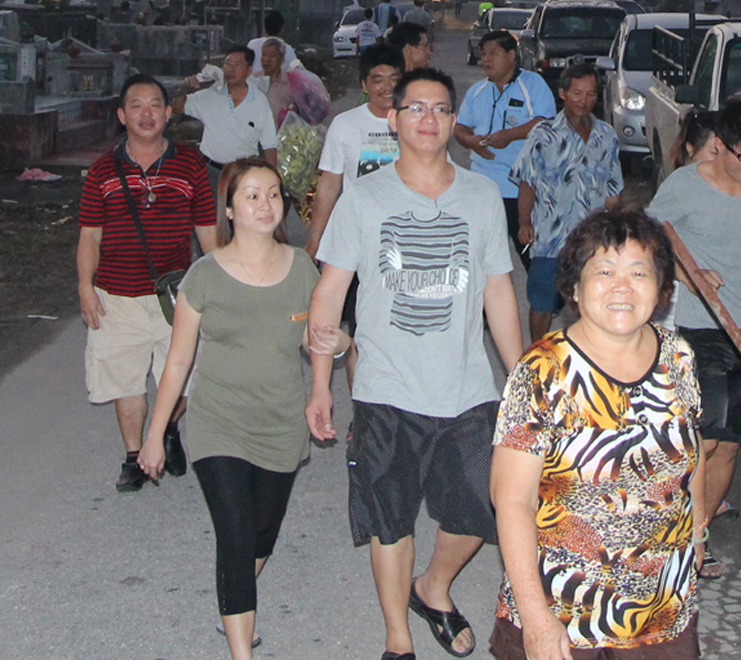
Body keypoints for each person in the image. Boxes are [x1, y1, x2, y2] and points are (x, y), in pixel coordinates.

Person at [307, 67, 525, 660]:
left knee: (484, 506)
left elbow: (499, 292)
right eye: (416, 109)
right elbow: (329, 294)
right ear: (394, 118)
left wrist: (524, 376)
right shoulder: (365, 197)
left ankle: (432, 586)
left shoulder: (480, 195)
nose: (429, 120)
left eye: (440, 110)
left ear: (454, 122)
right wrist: (321, 385)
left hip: (467, 387)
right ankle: (397, 639)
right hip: (385, 388)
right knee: (390, 516)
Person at [138, 158, 337, 659]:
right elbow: (179, 359)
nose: (265, 204)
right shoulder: (203, 276)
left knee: (260, 537)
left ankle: (236, 596)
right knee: (235, 535)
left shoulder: (302, 269)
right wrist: (154, 433)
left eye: (273, 194)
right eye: (251, 195)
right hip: (217, 424)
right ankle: (240, 648)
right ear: (229, 208)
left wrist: (321, 387)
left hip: (280, 422)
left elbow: (317, 340)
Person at [491, 210, 703, 660]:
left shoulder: (677, 357)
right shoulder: (542, 371)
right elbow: (511, 499)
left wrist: (698, 534)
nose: (622, 286)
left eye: (639, 272)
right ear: (574, 289)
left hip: (661, 610)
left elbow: (691, 456)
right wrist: (536, 619)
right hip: (564, 613)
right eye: (604, 271)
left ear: (662, 288)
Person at [646, 97, 741, 574]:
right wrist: (691, 277)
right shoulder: (685, 186)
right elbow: (652, 237)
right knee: (703, 442)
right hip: (699, 330)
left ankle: (698, 536)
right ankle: (678, 533)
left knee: (729, 445)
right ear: (720, 146)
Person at [76, 75, 219, 493]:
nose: (146, 113)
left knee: (190, 378)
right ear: (122, 116)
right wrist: (86, 286)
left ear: (168, 113)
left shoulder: (190, 165)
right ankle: (134, 456)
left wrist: (221, 283)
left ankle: (167, 428)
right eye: (136, 105)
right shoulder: (103, 171)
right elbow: (89, 236)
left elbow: (206, 229)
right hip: (117, 296)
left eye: (155, 104)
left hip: (177, 297)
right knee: (125, 381)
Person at [511, 59, 624, 339]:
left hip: (591, 244)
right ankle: (537, 358)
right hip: (550, 239)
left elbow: (614, 190)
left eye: (590, 94)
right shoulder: (543, 135)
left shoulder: (606, 136)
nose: (583, 101)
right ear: (562, 93)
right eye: (577, 93)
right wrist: (524, 222)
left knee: (590, 305)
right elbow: (527, 182)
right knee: (542, 304)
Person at [454, 30, 556, 253]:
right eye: (483, 54)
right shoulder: (477, 91)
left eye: (493, 53)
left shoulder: (533, 84)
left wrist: (509, 135)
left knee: (531, 255)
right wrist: (471, 141)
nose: (487, 60)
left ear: (511, 55)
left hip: (521, 190)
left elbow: (546, 123)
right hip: (482, 188)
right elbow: (460, 127)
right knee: (479, 257)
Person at [307, 43, 403, 254]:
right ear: (364, 86)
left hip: (405, 238)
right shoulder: (344, 124)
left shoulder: (419, 123)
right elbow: (329, 187)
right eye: (378, 80)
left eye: (394, 79)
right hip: (357, 239)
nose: (387, 87)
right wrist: (316, 239)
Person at [182, 46, 280, 178]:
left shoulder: (259, 101)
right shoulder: (210, 95)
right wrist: (184, 88)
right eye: (227, 63)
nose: (230, 69)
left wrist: (272, 178)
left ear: (249, 70)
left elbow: (270, 144)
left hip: (243, 173)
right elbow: (179, 107)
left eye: (237, 64)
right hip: (210, 171)